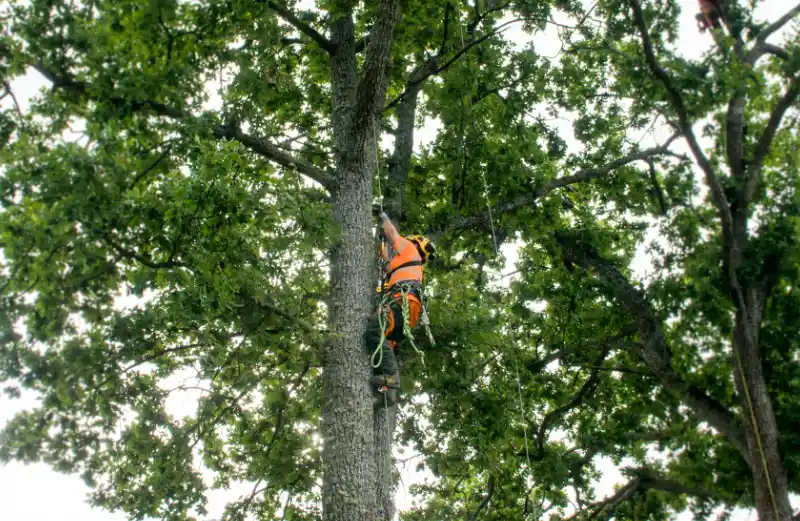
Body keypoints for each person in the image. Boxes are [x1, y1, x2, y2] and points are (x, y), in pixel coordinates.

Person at [365, 211, 435, 407]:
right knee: (382, 342)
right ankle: (385, 394)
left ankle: (391, 378)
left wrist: (383, 217)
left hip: (403, 302)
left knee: (373, 331)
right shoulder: (404, 266)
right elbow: (387, 267)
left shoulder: (411, 251)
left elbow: (393, 234)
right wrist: (381, 246)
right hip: (404, 305)